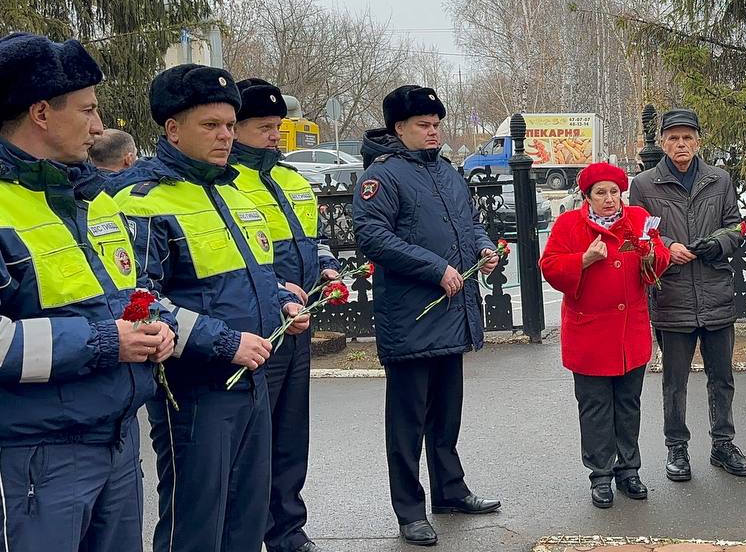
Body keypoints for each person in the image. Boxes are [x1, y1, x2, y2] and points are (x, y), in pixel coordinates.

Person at [109, 63, 306, 552]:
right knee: (195, 525)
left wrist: (283, 302)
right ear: (172, 130)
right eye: (210, 126)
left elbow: (257, 273)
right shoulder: (139, 199)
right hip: (195, 387)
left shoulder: (234, 190)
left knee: (246, 517)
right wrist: (225, 342)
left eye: (230, 125)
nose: (225, 137)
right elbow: (140, 302)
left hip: (253, 374)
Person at [0, 32, 175, 551]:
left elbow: (128, 295)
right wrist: (106, 343)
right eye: (88, 111)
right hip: (35, 455)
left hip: (118, 440)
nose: (100, 128)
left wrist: (152, 325)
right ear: (40, 113)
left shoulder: (87, 200)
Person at [353, 85, 501, 548]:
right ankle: (410, 511)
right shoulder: (383, 177)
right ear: (400, 128)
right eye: (424, 125)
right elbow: (372, 237)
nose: (433, 132)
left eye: (436, 124)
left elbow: (469, 220)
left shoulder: (448, 172)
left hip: (452, 315)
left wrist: (484, 246)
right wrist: (436, 268)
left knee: (446, 416)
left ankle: (450, 492)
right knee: (407, 424)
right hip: (412, 317)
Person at [230, 78, 341, 552]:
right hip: (256, 330)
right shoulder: (228, 183)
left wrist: (329, 268)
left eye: (279, 126)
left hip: (298, 326)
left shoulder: (293, 179)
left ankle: (287, 530)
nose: (275, 136)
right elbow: (241, 259)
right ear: (236, 129)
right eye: (264, 127)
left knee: (291, 436)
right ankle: (248, 531)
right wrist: (278, 293)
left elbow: (311, 240)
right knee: (254, 442)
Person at [627, 109, 746, 481]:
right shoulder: (645, 185)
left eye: (687, 138)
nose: (680, 145)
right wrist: (668, 246)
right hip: (672, 294)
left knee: (722, 377)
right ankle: (676, 449)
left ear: (698, 140)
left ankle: (723, 444)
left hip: (715, 291)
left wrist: (716, 244)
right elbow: (639, 232)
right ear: (663, 142)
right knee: (674, 381)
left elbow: (736, 225)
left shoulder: (719, 179)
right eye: (673, 138)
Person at [540, 162, 671, 508]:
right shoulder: (570, 224)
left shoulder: (639, 219)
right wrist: (583, 259)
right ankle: (600, 474)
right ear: (587, 196)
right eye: (601, 193)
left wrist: (652, 255)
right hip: (589, 336)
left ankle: (629, 470)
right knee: (596, 408)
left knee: (628, 405)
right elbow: (549, 266)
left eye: (615, 192)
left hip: (631, 334)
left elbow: (660, 262)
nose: (610, 199)